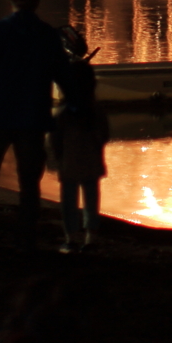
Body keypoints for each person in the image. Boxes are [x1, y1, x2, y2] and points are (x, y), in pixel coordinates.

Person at [0, 0, 75, 249]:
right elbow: (63, 76)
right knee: (29, 181)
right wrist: (75, 105)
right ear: (37, 1)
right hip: (32, 117)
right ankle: (27, 232)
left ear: (11, 0)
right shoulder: (47, 34)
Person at [50, 50, 109, 253]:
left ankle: (71, 237)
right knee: (91, 198)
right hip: (91, 161)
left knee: (69, 200)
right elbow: (104, 135)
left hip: (69, 162)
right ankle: (91, 236)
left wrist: (56, 158)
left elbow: (55, 140)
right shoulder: (96, 110)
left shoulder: (63, 113)